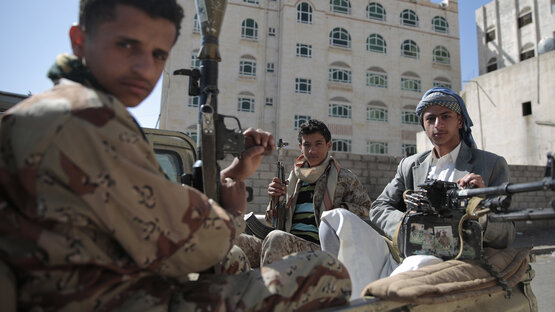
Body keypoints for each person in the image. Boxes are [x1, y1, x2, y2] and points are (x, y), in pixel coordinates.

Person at [0, 1, 351, 311]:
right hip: (116, 297)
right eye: (126, 45)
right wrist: (233, 208)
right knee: (325, 272)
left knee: (234, 259)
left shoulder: (42, 113)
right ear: (79, 40)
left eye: (158, 54)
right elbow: (196, 243)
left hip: (92, 282)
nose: (144, 67)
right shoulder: (88, 119)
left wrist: (233, 175)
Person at [319, 87, 515, 299]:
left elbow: (508, 232)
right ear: (424, 124)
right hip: (403, 248)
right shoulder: (410, 165)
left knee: (418, 262)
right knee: (333, 219)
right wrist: (408, 226)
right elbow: (379, 207)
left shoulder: (490, 164)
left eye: (445, 116)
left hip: (447, 259)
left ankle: (372, 302)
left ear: (459, 121)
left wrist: (480, 205)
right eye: (431, 119)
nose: (438, 125)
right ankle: (351, 300)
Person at [235, 119, 372, 267]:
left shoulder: (345, 178)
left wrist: (338, 213)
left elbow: (367, 210)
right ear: (301, 147)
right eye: (307, 145)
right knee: (233, 241)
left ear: (329, 145)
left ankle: (268, 289)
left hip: (320, 250)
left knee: (276, 238)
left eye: (318, 144)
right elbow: (271, 221)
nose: (312, 150)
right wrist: (275, 200)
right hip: (285, 242)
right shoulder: (294, 179)